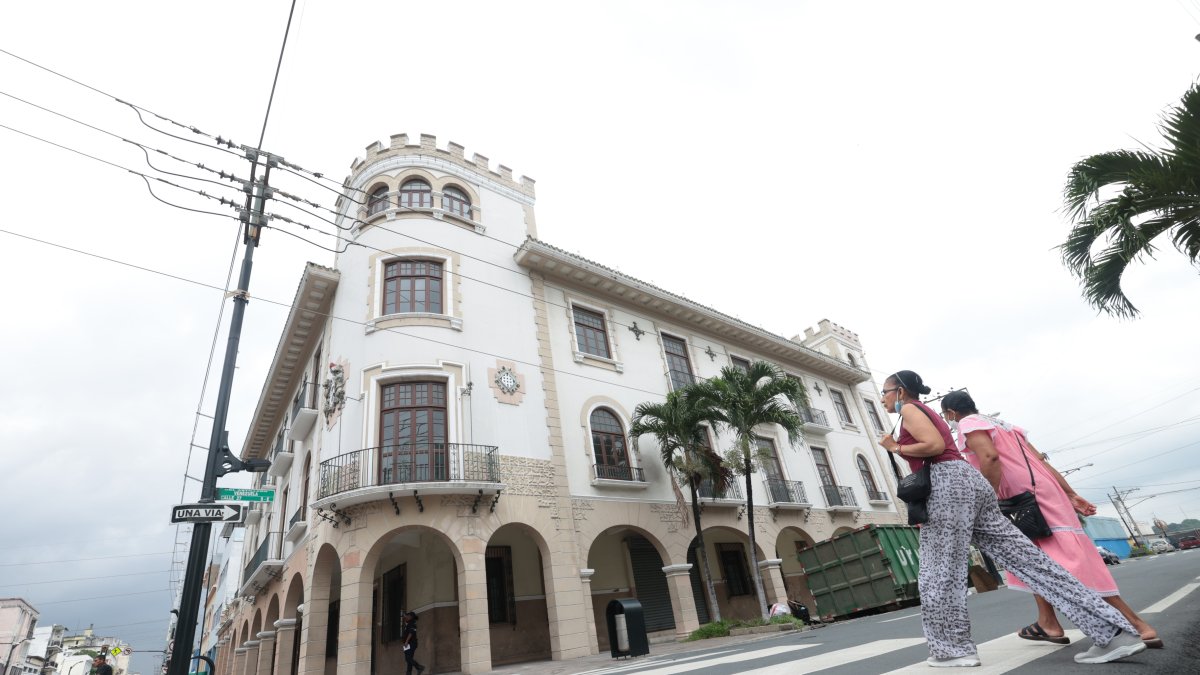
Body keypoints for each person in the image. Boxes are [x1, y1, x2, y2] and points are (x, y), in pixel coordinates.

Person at [878, 370, 1145, 667]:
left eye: (885, 391)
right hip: (971, 484)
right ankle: (1114, 632)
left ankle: (952, 650)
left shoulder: (912, 409)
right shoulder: (931, 412)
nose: (883, 398)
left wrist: (894, 446)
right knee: (1031, 561)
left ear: (900, 392)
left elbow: (934, 446)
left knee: (939, 572)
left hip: (945, 485)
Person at [940, 390, 1161, 649]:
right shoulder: (1007, 426)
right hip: (1045, 492)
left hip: (1024, 500)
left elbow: (989, 457)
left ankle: (1136, 624)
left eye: (946, 417)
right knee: (1033, 560)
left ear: (951, 413)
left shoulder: (969, 424)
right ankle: (1048, 622)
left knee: (1068, 565)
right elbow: (1040, 461)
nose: (949, 422)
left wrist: (988, 500)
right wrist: (1069, 493)